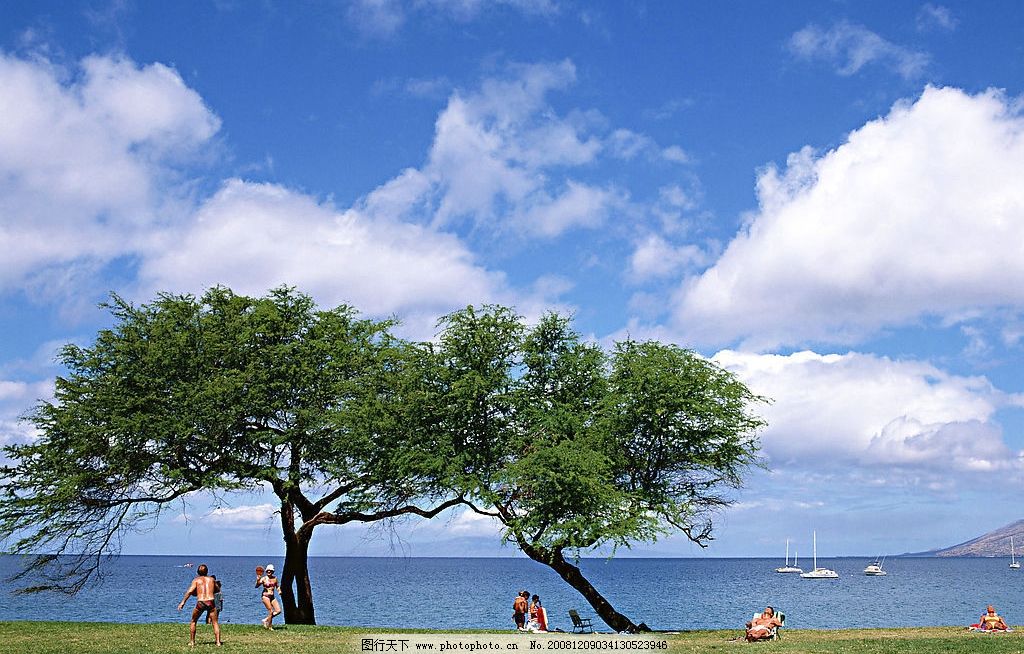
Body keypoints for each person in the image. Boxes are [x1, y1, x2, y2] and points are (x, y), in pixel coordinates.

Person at [178, 563, 222, 647]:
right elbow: (218, 589)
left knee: (193, 621)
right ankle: (218, 642)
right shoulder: (211, 579)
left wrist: (183, 602)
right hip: (210, 601)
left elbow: (190, 591)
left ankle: (192, 642)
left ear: (197, 572)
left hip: (201, 602)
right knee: (215, 622)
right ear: (207, 571)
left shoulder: (196, 580)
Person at [256, 563, 282, 629]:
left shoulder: (275, 578)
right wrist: (258, 580)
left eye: (270, 570)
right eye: (268, 570)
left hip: (272, 597)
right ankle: (270, 627)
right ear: (266, 571)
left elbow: (277, 586)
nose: (269, 571)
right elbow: (257, 586)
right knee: (270, 611)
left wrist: (279, 591)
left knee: (278, 611)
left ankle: (265, 620)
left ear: (273, 571)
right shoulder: (264, 579)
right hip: (265, 596)